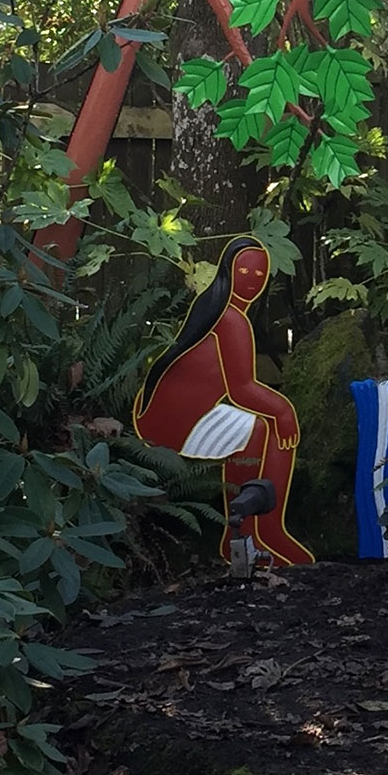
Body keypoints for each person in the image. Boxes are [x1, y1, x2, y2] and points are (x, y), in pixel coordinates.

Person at [133, 236, 314, 567]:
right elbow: (241, 389)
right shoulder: (229, 320)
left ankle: (255, 533)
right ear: (228, 270)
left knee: (259, 430)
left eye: (260, 275)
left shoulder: (215, 308)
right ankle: (254, 532)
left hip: (180, 415)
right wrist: (284, 410)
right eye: (243, 270)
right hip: (178, 424)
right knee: (265, 427)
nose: (251, 280)